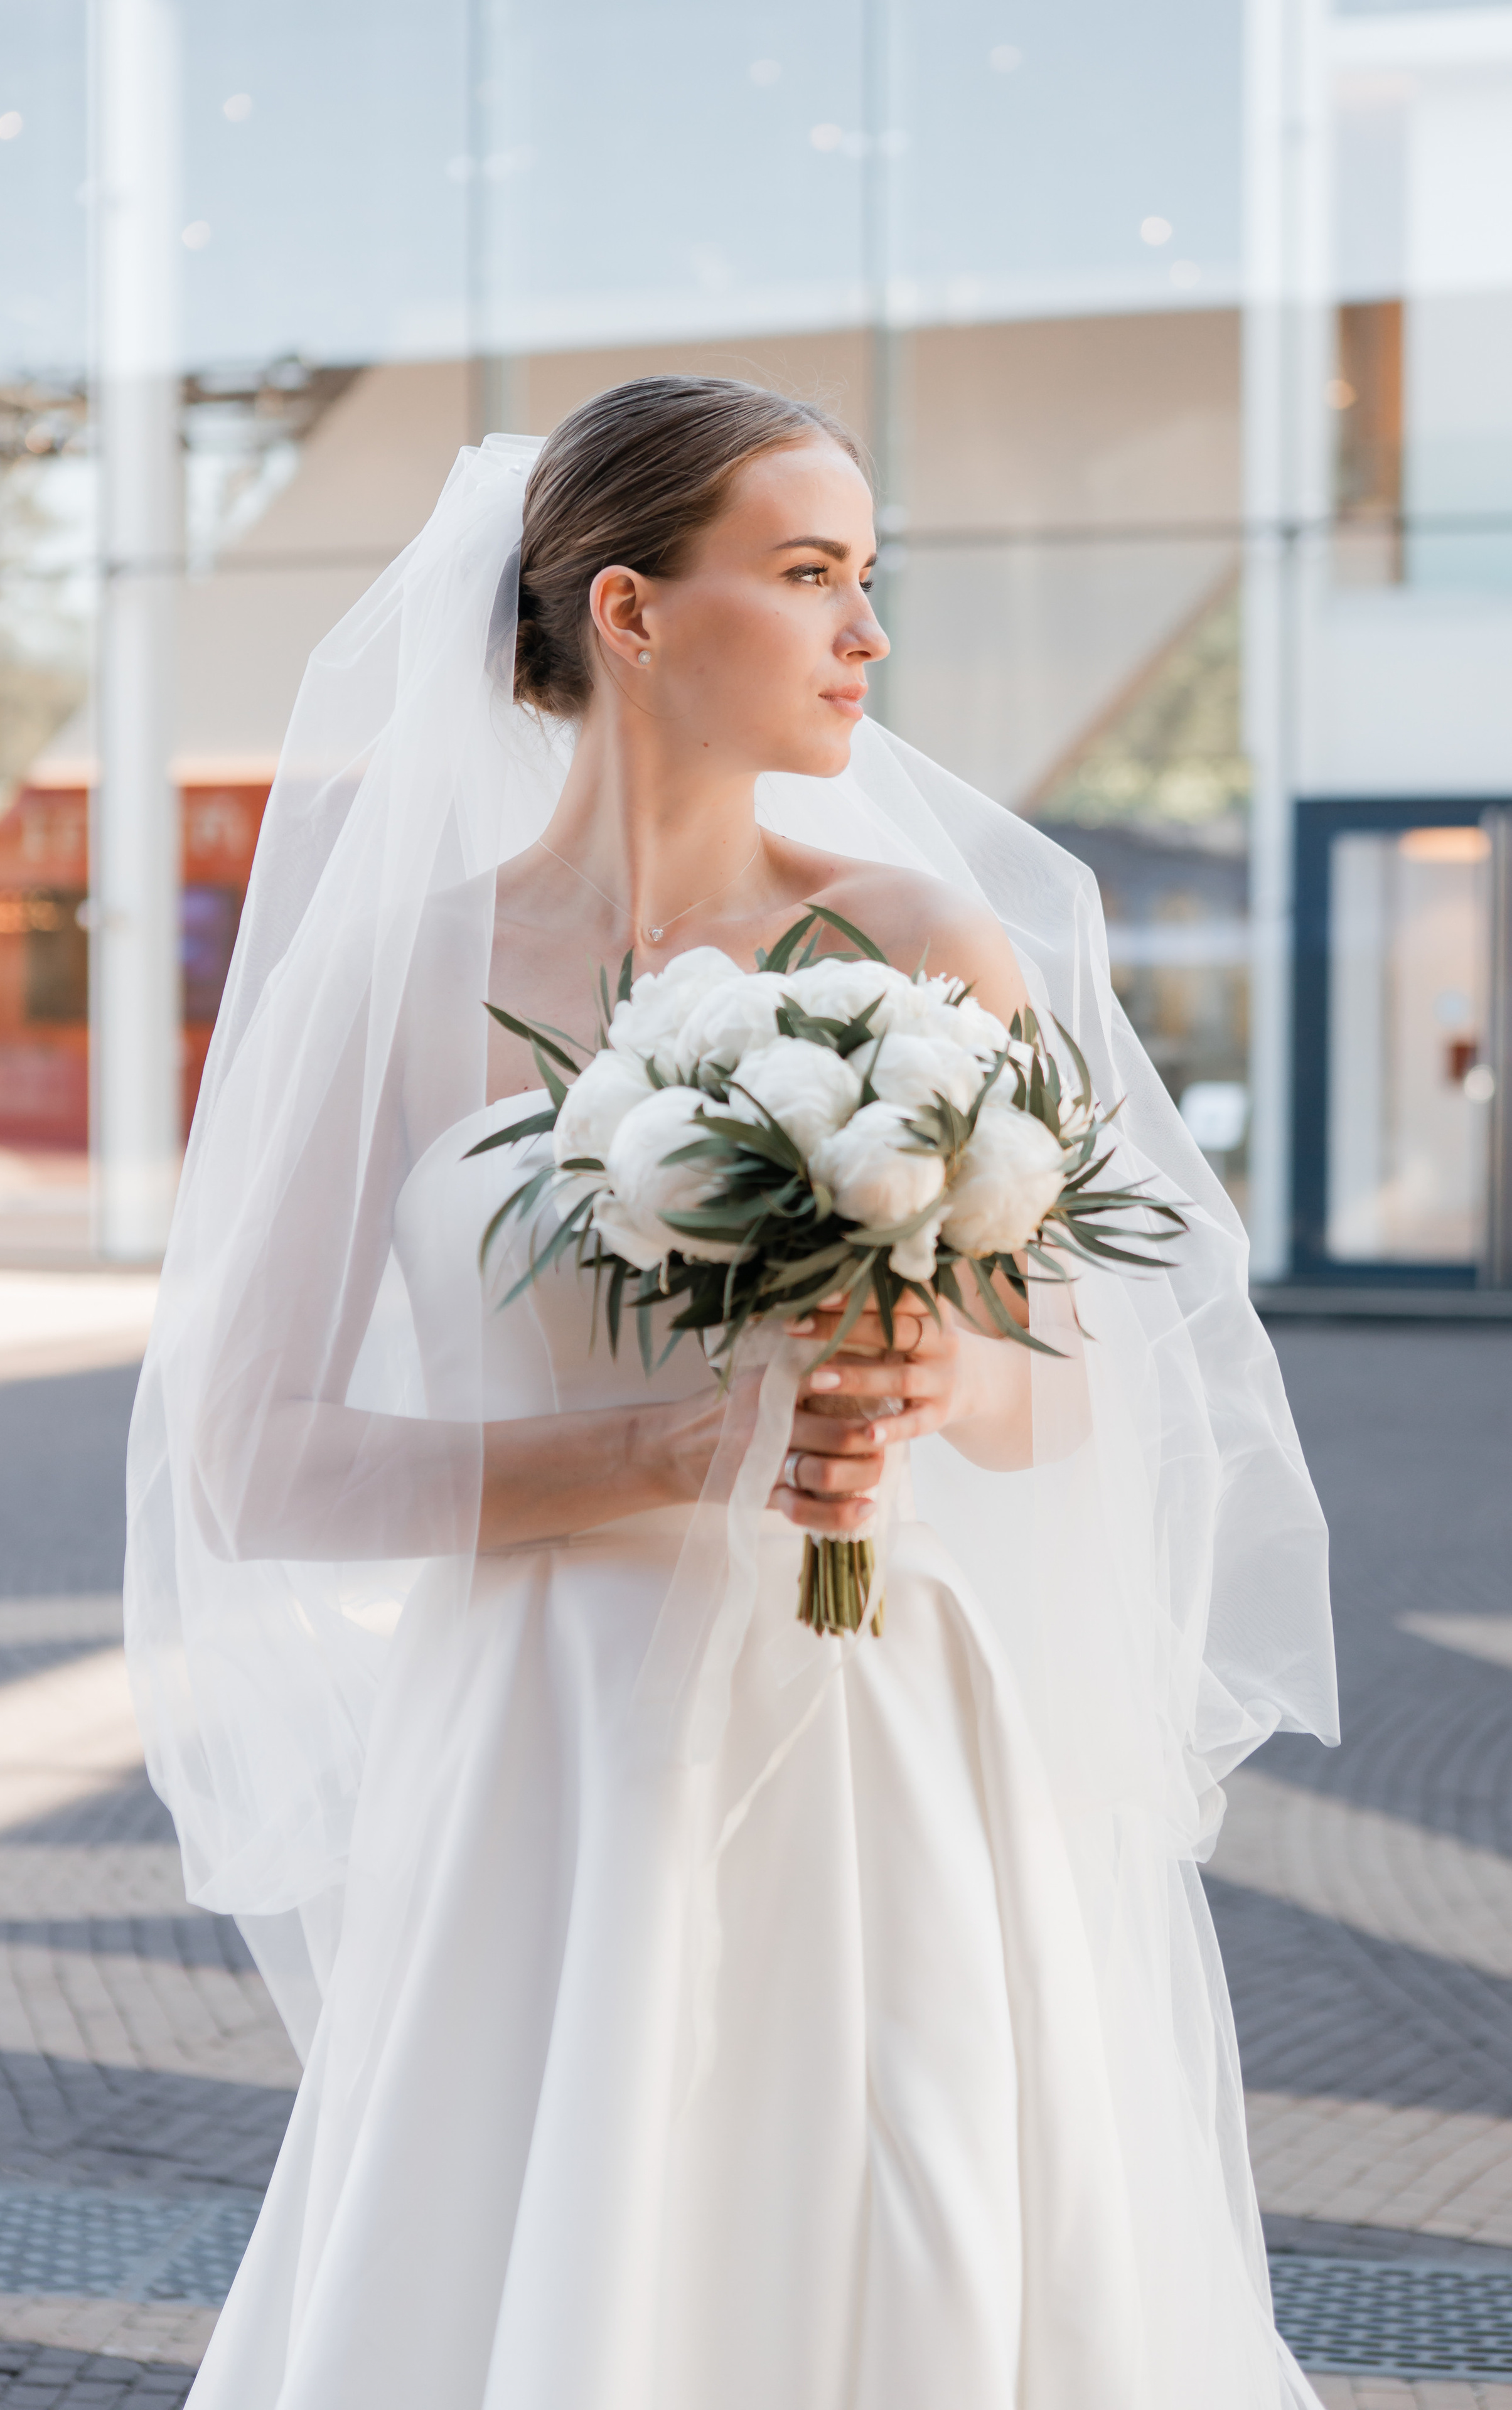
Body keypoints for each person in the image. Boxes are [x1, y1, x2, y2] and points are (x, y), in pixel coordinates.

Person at [127, 377, 1336, 2409]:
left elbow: (1057, 1397)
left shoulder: (935, 942)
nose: (868, 633)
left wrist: (946, 1366)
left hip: (873, 1715)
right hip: (541, 1746)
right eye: (806, 576)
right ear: (630, 612)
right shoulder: (410, 977)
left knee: (909, 2214)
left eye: (871, 580)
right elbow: (252, 1465)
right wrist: (668, 1449)